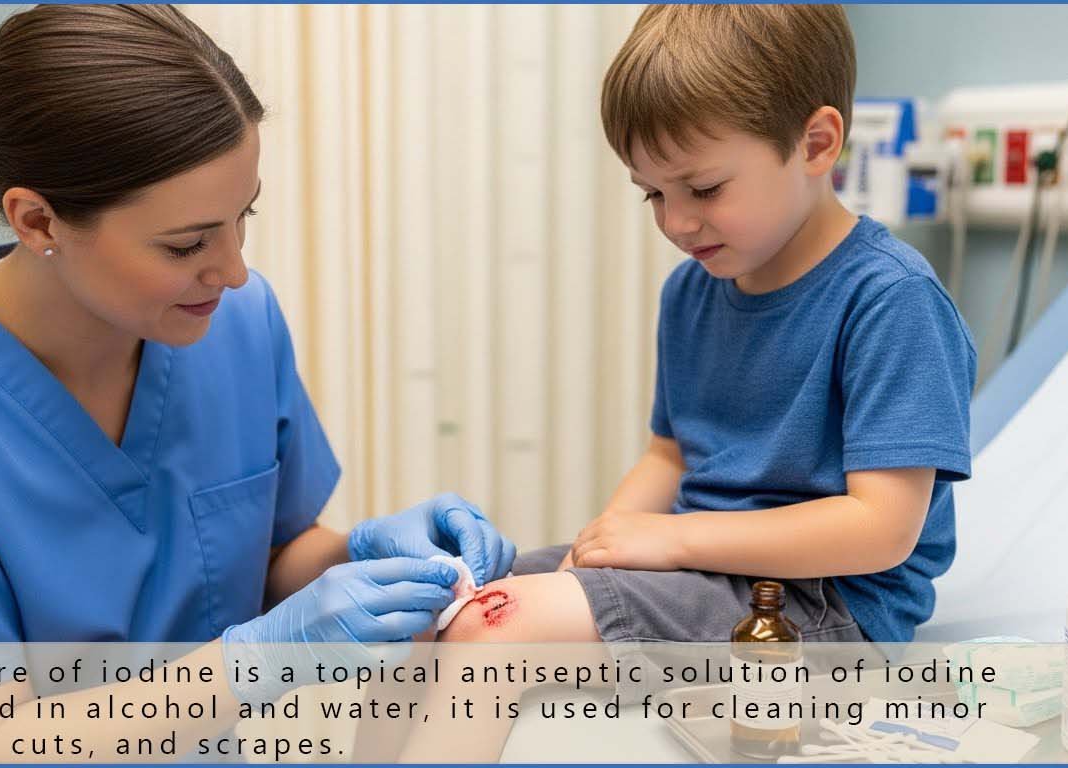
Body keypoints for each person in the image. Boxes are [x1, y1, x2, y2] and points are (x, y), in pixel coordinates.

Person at [0, 4, 513, 761]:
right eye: (186, 244)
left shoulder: (235, 322)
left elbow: (265, 556)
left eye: (244, 216)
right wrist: (264, 658)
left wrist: (363, 556)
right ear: (37, 221)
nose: (233, 269)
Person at [384, 5, 976, 762]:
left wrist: (669, 539)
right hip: (710, 570)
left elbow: (880, 530)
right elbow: (669, 455)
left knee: (493, 629)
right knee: (433, 611)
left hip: (828, 610)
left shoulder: (888, 300)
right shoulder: (693, 290)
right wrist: (598, 550)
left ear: (815, 143)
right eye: (651, 193)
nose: (675, 222)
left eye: (701, 187)